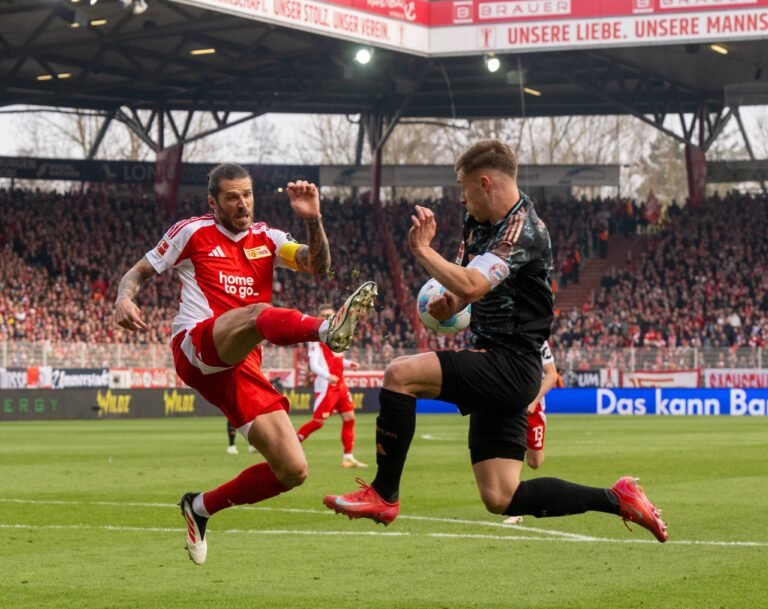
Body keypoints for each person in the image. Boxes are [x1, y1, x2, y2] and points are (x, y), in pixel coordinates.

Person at [323, 140, 668, 543]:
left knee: (399, 374)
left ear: (485, 182)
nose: (461, 198)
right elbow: (469, 288)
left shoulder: (525, 230)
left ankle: (384, 494)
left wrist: (421, 250)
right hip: (498, 364)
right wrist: (446, 304)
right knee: (502, 496)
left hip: (514, 364)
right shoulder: (478, 225)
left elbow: (471, 282)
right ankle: (619, 498)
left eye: (464, 188)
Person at [114, 163, 377, 565]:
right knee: (257, 312)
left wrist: (313, 220)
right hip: (197, 345)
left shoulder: (268, 238)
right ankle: (327, 330)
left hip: (241, 365)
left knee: (292, 470)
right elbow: (139, 271)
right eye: (233, 197)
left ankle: (199, 508)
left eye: (248, 195)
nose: (243, 204)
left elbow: (318, 265)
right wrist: (123, 298)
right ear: (213, 202)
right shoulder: (193, 231)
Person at [296, 304, 367, 468]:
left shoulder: (339, 335)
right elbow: (313, 364)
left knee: (350, 418)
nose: (328, 318)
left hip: (340, 385)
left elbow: (337, 359)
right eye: (324, 315)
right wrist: (327, 376)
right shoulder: (316, 338)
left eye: (330, 315)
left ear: (336, 316)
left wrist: (350, 364)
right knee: (318, 422)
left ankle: (348, 457)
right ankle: (290, 444)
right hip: (326, 386)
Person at [502, 339, 562, 525]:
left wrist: (534, 401)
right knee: (511, 451)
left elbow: (552, 375)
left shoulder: (538, 340)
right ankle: (514, 507)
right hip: (509, 403)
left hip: (533, 408)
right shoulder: (499, 335)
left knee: (535, 462)